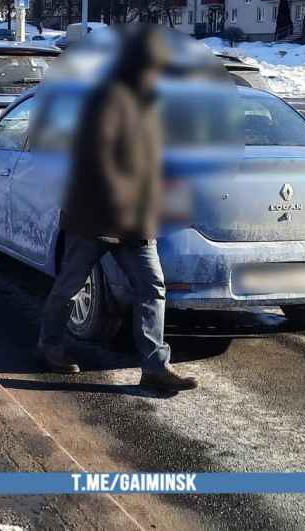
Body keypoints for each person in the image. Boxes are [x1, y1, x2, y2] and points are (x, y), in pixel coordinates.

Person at [35, 26, 198, 392]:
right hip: (94, 215)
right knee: (70, 286)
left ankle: (155, 366)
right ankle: (49, 346)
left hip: (135, 220)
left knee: (152, 287)